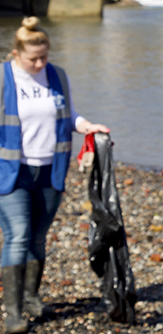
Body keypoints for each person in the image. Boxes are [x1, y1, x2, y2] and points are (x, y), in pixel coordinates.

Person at [0, 17, 110, 334]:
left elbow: (67, 113)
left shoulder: (57, 75)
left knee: (37, 236)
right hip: (12, 172)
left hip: (51, 170)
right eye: (32, 58)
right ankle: (14, 313)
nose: (39, 63)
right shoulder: (5, 78)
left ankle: (33, 297)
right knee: (19, 234)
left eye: (43, 57)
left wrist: (87, 126)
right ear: (16, 53)